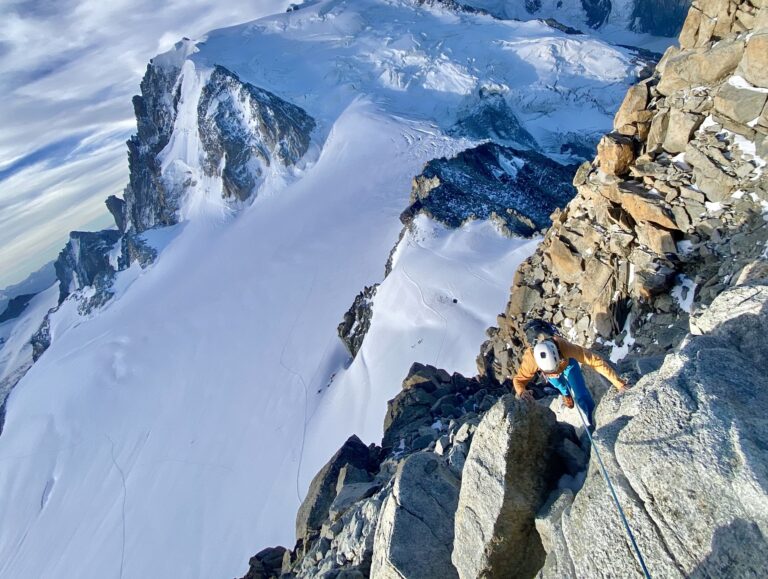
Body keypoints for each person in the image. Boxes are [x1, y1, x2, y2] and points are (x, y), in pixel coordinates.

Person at [511, 320, 629, 426]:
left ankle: (594, 422)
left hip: (568, 364)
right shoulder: (531, 359)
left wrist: (619, 384)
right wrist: (522, 392)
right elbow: (518, 380)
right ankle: (565, 394)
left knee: (581, 394)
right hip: (552, 374)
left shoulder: (564, 346)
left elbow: (594, 361)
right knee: (561, 386)